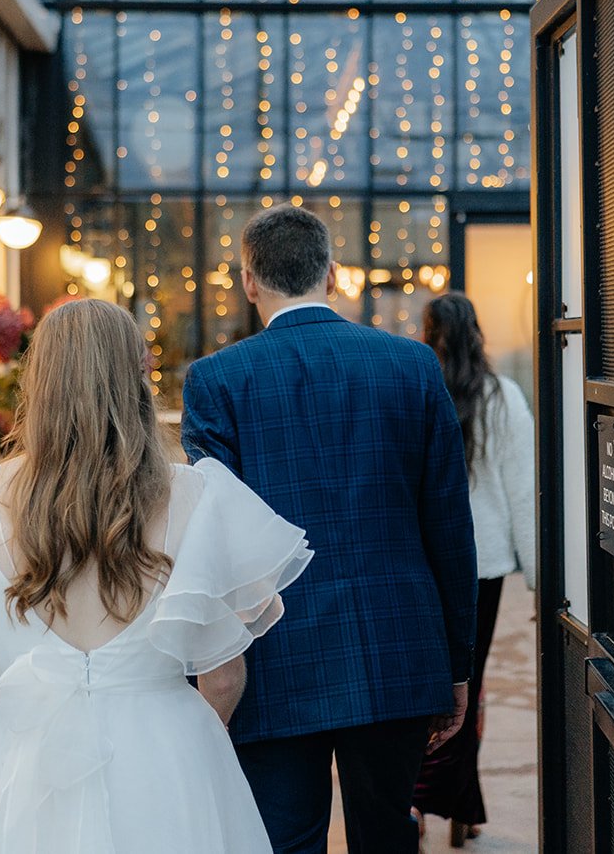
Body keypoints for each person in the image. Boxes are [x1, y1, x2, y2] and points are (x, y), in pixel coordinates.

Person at [0, 299, 313, 854]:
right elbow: (224, 676)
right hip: (163, 757)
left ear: (38, 382)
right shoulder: (198, 498)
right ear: (137, 379)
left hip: (12, 762)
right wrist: (190, 745)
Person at [180, 206, 477, 854]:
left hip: (273, 654)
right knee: (386, 835)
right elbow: (450, 525)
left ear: (250, 280)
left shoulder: (216, 381)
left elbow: (213, 539)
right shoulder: (412, 366)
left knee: (285, 840)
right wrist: (458, 663)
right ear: (333, 275)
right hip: (395, 650)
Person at [412, 292, 536, 847]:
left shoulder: (416, 389)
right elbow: (522, 492)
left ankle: (421, 801)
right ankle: (458, 804)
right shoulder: (501, 397)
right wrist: (538, 579)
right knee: (470, 682)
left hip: (423, 560)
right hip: (483, 565)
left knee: (423, 684)